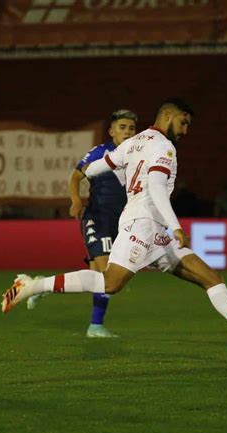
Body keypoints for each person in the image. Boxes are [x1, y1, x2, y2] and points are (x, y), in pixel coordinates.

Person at [1, 98, 227, 360]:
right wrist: (176, 226)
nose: (185, 130)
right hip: (143, 223)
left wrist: (101, 176)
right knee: (110, 284)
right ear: (167, 116)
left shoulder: (133, 142)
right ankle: (33, 286)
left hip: (152, 228)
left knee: (211, 278)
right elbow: (155, 187)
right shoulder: (164, 147)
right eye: (183, 122)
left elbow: (93, 169)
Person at [27, 109, 138, 338]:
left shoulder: (136, 156)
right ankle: (94, 325)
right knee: (107, 273)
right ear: (112, 131)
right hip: (97, 218)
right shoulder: (100, 152)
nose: (127, 132)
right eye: (122, 127)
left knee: (99, 279)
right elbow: (76, 175)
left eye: (131, 128)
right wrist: (76, 200)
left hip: (120, 223)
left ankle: (45, 287)